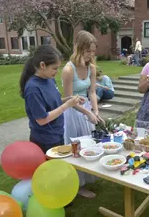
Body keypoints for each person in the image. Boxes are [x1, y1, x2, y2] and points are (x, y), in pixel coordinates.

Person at [61, 30, 104, 199]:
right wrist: (87, 112)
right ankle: (77, 185)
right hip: (72, 111)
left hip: (86, 109)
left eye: (93, 51)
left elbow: (92, 92)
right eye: (88, 51)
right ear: (79, 49)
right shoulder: (68, 70)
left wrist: (96, 111)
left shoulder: (91, 68)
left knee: (88, 144)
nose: (91, 55)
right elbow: (69, 99)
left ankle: (87, 178)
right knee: (76, 148)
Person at [19, 45, 81, 154]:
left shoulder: (49, 80)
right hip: (44, 140)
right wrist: (67, 105)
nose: (57, 72)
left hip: (57, 134)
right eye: (54, 68)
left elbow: (53, 102)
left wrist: (68, 99)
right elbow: (42, 119)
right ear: (42, 65)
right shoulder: (33, 89)